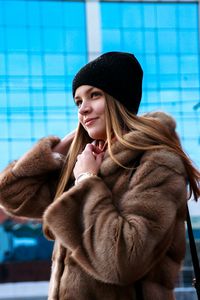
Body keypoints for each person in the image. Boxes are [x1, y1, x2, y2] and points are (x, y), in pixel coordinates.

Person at [0, 51, 199, 300]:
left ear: (119, 101)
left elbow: (122, 260)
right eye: (78, 102)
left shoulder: (156, 163)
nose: (83, 109)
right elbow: (11, 195)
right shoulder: (88, 160)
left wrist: (86, 182)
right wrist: (60, 148)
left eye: (94, 95)